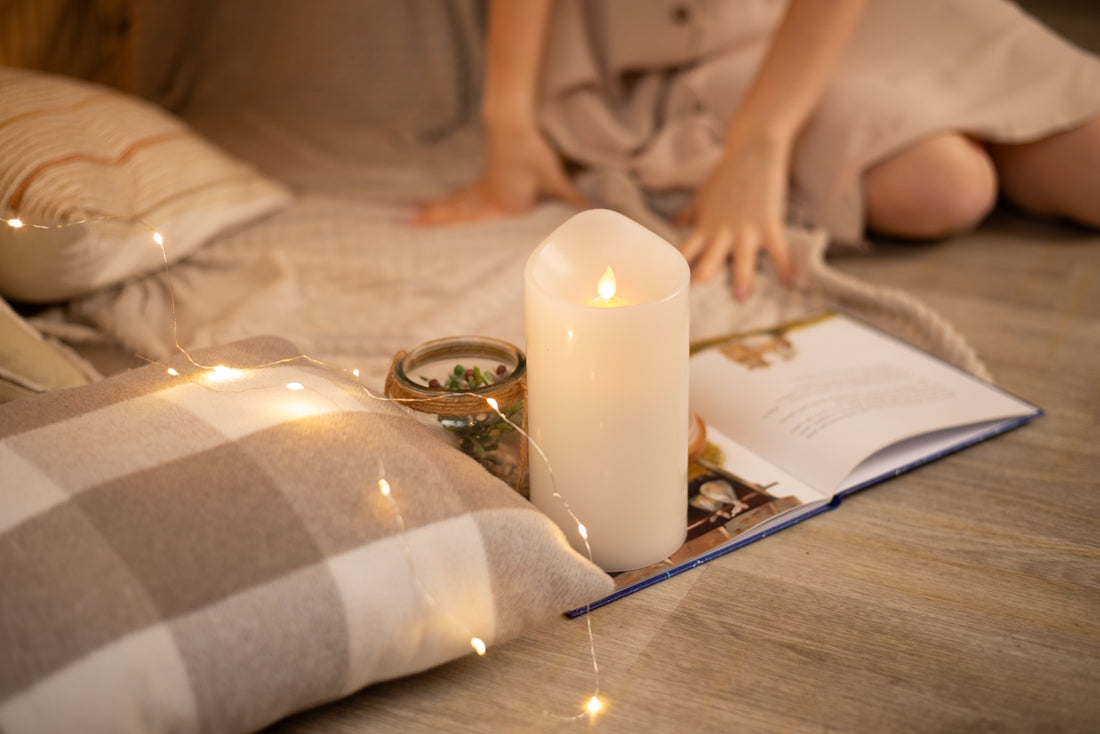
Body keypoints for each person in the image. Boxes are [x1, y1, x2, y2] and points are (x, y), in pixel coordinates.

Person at [414, 0, 1100, 300]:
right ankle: (936, 123)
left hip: (815, 17)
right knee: (948, 185)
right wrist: (508, 119)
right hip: (664, 39)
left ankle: (938, 112)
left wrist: (761, 143)